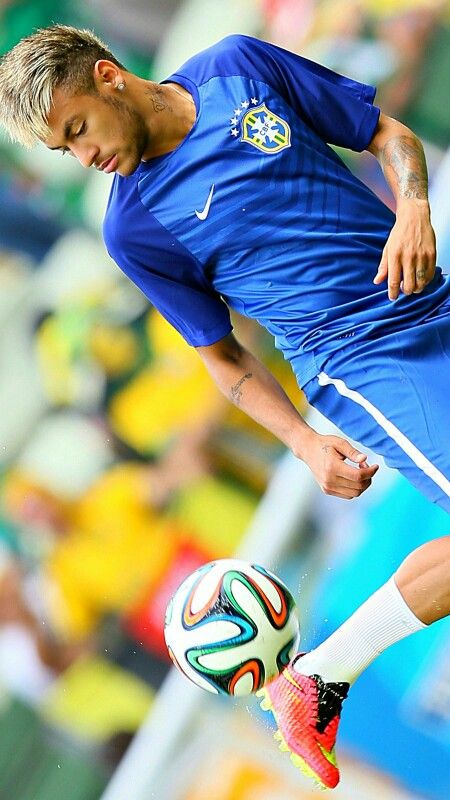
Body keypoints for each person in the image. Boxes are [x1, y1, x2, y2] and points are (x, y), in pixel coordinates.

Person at [0, 25, 448, 789]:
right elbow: (224, 361)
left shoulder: (238, 66)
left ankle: (318, 680)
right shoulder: (131, 227)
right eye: (62, 152)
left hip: (430, 297)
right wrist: (304, 443)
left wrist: (413, 206)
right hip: (363, 361)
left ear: (109, 76)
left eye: (77, 130)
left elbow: (386, 133)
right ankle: (324, 675)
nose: (83, 158)